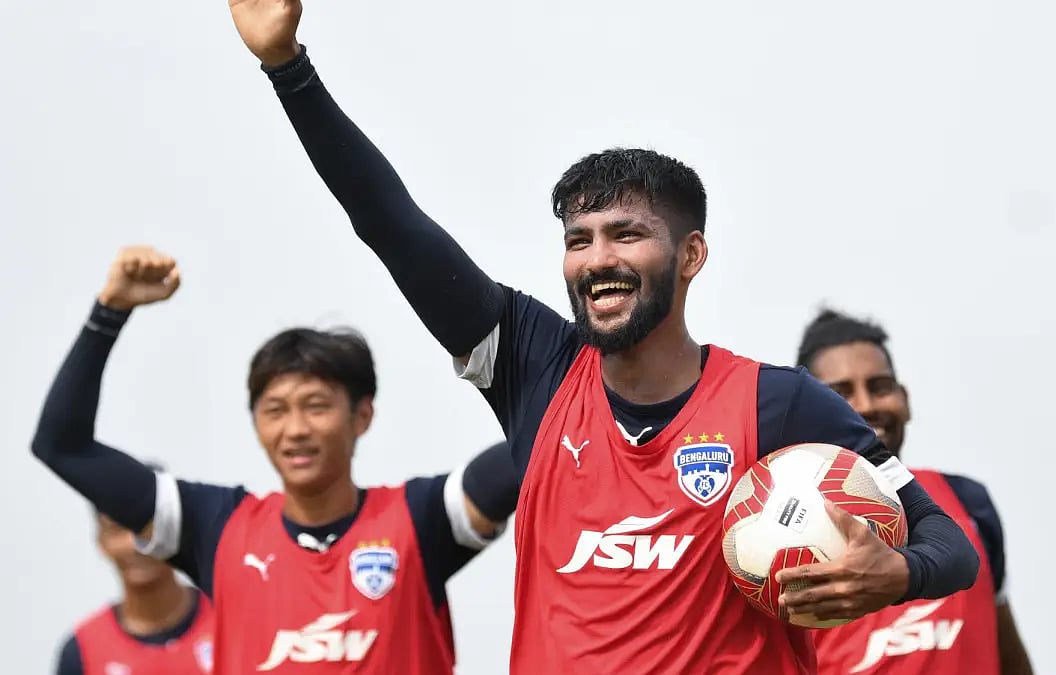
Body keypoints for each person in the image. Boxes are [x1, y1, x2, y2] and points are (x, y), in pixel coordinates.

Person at [227, 4, 980, 673]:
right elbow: (390, 224)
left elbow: (950, 541)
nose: (598, 260)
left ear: (690, 255)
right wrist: (288, 69)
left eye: (627, 234)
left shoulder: (777, 403)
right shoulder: (533, 368)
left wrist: (900, 573)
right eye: (578, 238)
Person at [32, 245, 521, 674]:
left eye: (316, 406)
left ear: (362, 415)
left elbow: (539, 441)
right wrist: (109, 311)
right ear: (256, 423)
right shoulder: (215, 528)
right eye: (274, 410)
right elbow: (62, 445)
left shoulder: (420, 518)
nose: (295, 429)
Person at [796, 308, 1035, 675]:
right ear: (810, 412)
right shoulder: (783, 528)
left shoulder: (968, 502)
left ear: (904, 398)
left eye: (880, 387)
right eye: (840, 394)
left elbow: (1005, 650)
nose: (866, 405)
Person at [55, 464, 215, 675]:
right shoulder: (82, 652)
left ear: (177, 528)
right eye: (117, 528)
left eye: (146, 525)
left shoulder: (230, 621)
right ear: (101, 541)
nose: (134, 544)